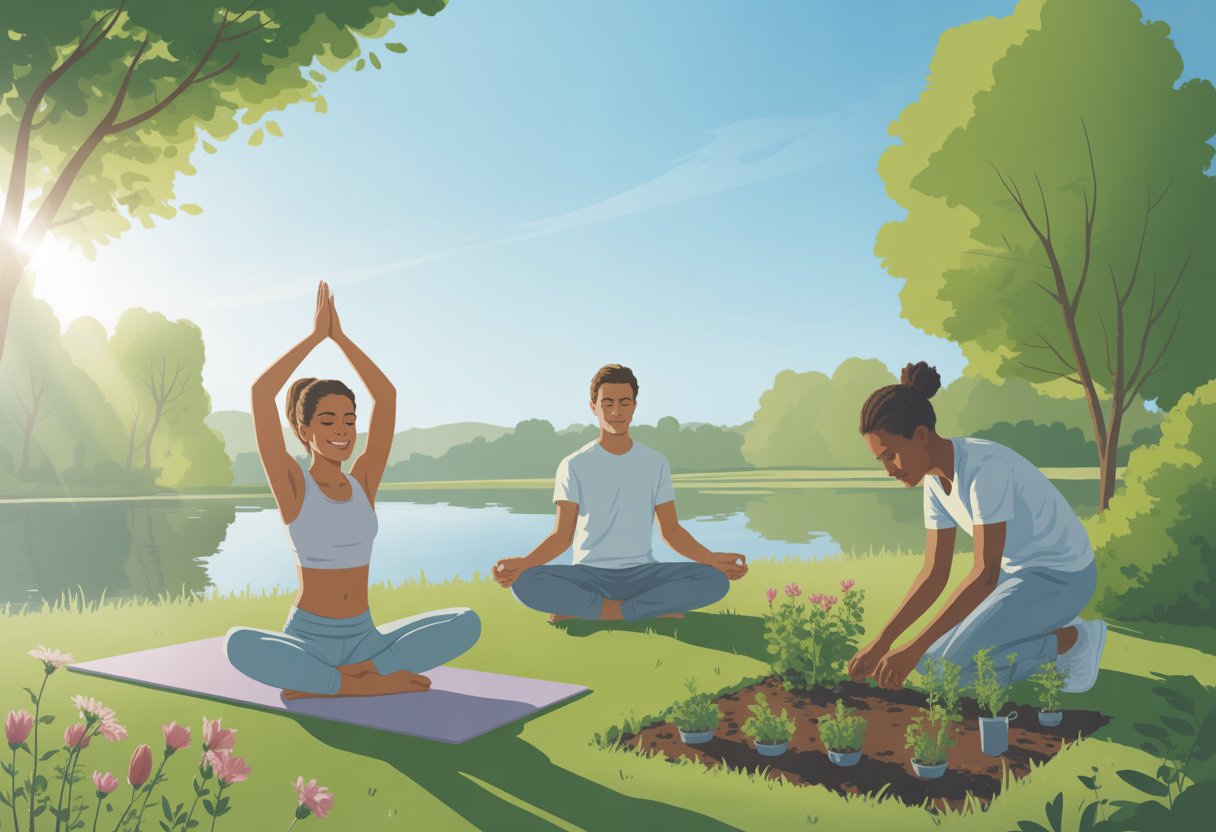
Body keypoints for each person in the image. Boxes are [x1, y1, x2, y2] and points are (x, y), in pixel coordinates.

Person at [225, 281, 480, 699]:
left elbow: (386, 396)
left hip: (364, 638)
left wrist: (340, 338)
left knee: (465, 621)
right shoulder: (293, 485)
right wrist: (314, 337)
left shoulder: (363, 481)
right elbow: (260, 394)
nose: (342, 431)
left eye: (349, 420)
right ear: (304, 431)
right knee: (238, 644)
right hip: (310, 637)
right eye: (328, 421)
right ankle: (358, 684)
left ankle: (339, 679)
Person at [847, 361, 1105, 693]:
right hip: (1017, 578)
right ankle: (1037, 625)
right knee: (929, 662)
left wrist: (910, 648)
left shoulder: (985, 469)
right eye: (881, 460)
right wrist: (883, 642)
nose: (889, 470)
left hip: (1064, 578)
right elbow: (934, 573)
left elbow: (984, 575)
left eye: (891, 455)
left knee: (946, 673)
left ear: (921, 435)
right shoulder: (935, 483)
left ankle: (1073, 640)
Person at [491, 364, 748, 622]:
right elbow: (562, 536)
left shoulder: (655, 462)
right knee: (526, 582)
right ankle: (642, 609)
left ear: (634, 406)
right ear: (593, 407)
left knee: (714, 580)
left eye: (625, 403)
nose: (616, 412)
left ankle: (596, 610)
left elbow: (671, 531)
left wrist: (712, 558)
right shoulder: (573, 465)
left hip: (643, 574)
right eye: (608, 403)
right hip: (589, 575)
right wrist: (525, 563)